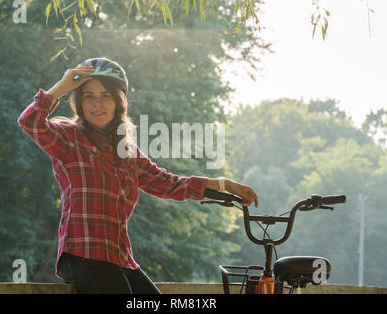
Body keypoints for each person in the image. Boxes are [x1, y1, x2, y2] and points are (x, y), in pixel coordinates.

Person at [17, 57, 259, 294]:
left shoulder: (127, 153)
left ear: (118, 102)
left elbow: (170, 184)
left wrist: (225, 185)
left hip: (120, 258)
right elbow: (29, 122)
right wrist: (63, 85)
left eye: (105, 96)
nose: (96, 104)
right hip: (84, 256)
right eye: (88, 96)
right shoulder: (68, 138)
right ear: (79, 102)